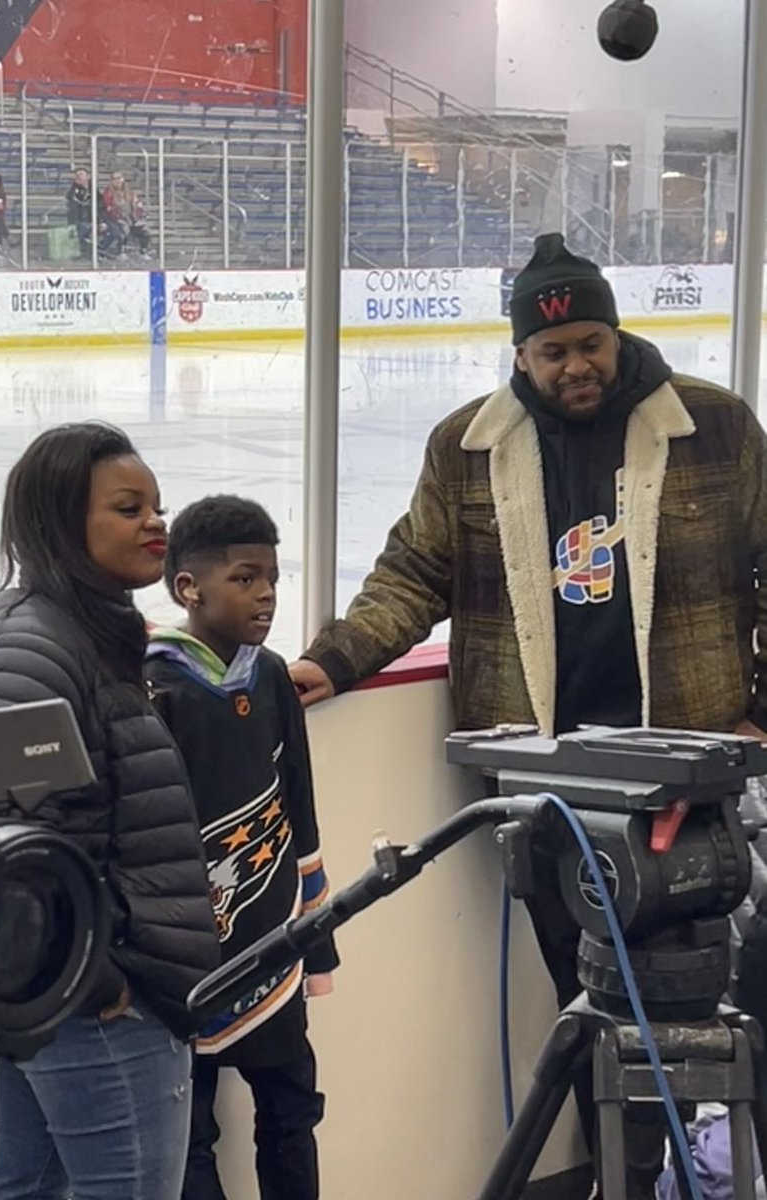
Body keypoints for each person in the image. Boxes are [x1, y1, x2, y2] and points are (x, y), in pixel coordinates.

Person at [289, 232, 767, 1199]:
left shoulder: (715, 426)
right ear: (520, 353)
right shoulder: (467, 447)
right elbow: (411, 576)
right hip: (550, 782)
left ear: (616, 335)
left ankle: (701, 1174)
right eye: (553, 352)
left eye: (590, 343)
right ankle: (619, 1177)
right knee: (583, 990)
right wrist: (329, 663)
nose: (575, 365)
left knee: (705, 995)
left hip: (688, 766)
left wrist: (761, 713)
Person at [0, 421, 221, 1200]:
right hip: (98, 1003)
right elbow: (5, 850)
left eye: (158, 506)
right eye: (129, 509)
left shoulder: (87, 631)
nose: (156, 524)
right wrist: (101, 985)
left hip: (78, 991)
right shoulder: (29, 648)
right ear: (60, 522)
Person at [144, 495, 338, 1200]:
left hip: (273, 940)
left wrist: (316, 936)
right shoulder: (155, 686)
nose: (266, 595)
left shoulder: (271, 674)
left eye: (273, 579)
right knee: (188, 1132)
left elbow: (300, 805)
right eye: (245, 578)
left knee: (292, 1109)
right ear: (188, 588)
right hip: (192, 951)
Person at [65, 166, 96, 256]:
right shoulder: (74, 191)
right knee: (80, 229)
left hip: (91, 218)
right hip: (78, 219)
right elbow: (71, 203)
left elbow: (98, 204)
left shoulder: (93, 189)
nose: (79, 177)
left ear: (87, 176)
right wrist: (75, 186)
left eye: (81, 174)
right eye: (77, 175)